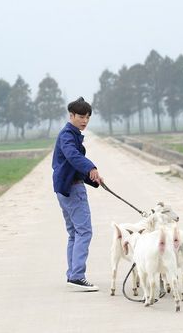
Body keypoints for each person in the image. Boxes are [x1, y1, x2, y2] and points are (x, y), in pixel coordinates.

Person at [52, 97, 103, 292]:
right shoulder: (67, 135)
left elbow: (73, 163)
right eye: (81, 116)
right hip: (72, 190)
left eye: (88, 117)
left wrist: (93, 177)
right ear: (71, 115)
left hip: (65, 189)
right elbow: (73, 156)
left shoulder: (72, 134)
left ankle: (73, 274)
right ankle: (77, 275)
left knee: (74, 233)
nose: (85, 121)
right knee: (84, 231)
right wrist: (91, 167)